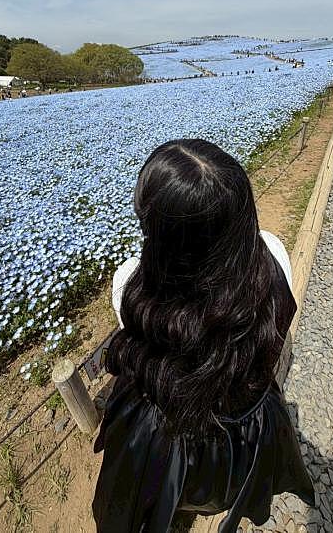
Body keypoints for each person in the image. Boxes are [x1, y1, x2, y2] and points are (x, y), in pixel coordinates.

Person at [92, 139, 314, 532]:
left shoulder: (128, 283)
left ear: (156, 231)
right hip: (248, 439)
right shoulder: (275, 253)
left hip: (174, 452)